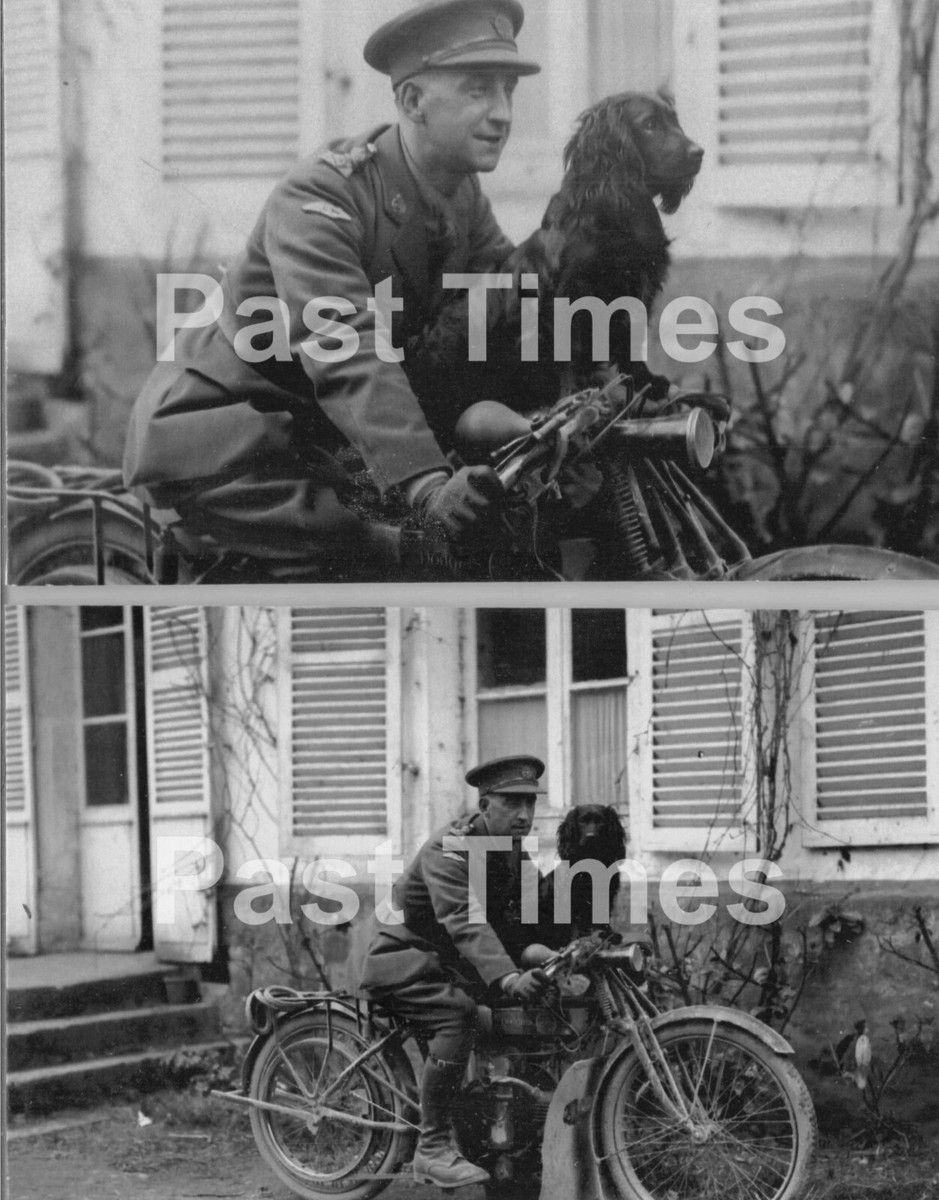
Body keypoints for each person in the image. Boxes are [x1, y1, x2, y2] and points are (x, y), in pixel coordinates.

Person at [122, 0, 541, 581]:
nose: (502, 114)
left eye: (508, 91)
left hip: (322, 429)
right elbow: (346, 343)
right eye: (478, 90)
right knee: (384, 547)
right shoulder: (321, 196)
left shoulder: (461, 195)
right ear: (412, 102)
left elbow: (508, 305)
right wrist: (425, 485)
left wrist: (567, 402)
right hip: (226, 430)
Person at [359, 755, 551, 1188]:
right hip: (403, 961)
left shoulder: (511, 851)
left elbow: (529, 918)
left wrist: (558, 953)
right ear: (484, 805)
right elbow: (464, 921)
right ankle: (431, 1149)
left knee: (512, 1019)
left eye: (530, 803)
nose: (524, 814)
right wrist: (508, 977)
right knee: (459, 1015)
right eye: (512, 802)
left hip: (446, 965)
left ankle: (498, 1142)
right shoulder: (448, 849)